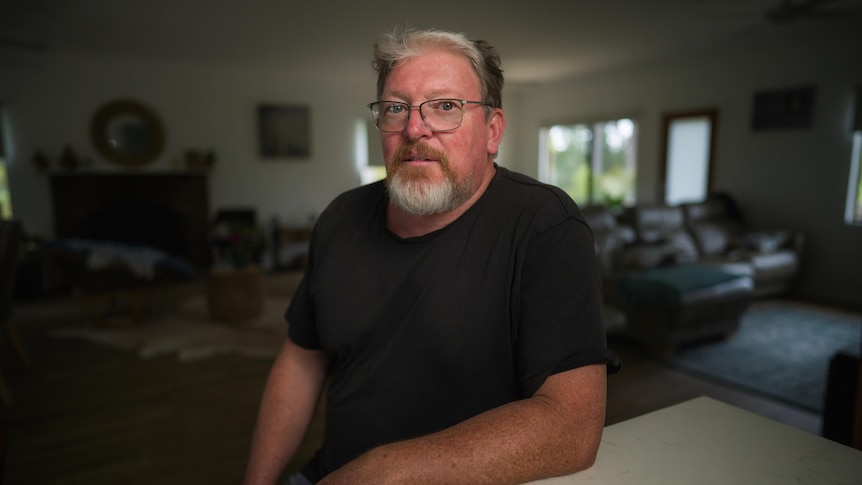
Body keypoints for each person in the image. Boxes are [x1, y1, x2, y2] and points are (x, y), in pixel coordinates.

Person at [243, 28, 621, 485]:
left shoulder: (545, 225)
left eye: (445, 106)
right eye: (395, 108)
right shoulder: (341, 217)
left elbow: (571, 428)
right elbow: (302, 360)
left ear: (492, 130)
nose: (414, 128)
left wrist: (382, 472)